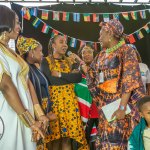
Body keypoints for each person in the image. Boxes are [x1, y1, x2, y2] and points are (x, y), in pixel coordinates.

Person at [86, 19, 145, 149]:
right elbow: (91, 75)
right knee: (105, 141)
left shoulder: (126, 50)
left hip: (120, 106)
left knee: (118, 141)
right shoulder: (101, 55)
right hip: (105, 107)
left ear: (110, 33)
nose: (99, 37)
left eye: (101, 33)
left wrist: (122, 108)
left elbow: (129, 79)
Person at [0, 5, 45, 150]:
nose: (19, 27)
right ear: (6, 22)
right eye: (17, 22)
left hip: (23, 114)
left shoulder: (11, 52)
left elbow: (27, 83)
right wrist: (30, 121)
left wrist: (39, 114)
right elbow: (6, 86)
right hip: (10, 115)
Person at [41, 35, 88, 150]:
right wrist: (69, 77)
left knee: (67, 138)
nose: (65, 45)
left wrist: (60, 74)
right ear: (53, 45)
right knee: (54, 139)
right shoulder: (45, 61)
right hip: (54, 103)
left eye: (66, 42)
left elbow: (77, 78)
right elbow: (49, 80)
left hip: (69, 103)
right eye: (61, 42)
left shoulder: (69, 61)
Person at [16, 36, 57, 150]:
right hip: (36, 116)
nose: (42, 54)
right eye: (40, 51)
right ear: (31, 52)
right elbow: (28, 96)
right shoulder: (24, 70)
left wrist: (47, 112)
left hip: (43, 115)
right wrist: (41, 115)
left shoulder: (35, 68)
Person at [73, 44, 99, 150]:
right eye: (84, 52)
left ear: (93, 53)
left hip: (98, 110)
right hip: (82, 111)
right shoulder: (76, 72)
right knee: (84, 141)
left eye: (89, 51)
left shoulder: (99, 67)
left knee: (100, 141)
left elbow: (93, 78)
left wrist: (79, 60)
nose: (86, 54)